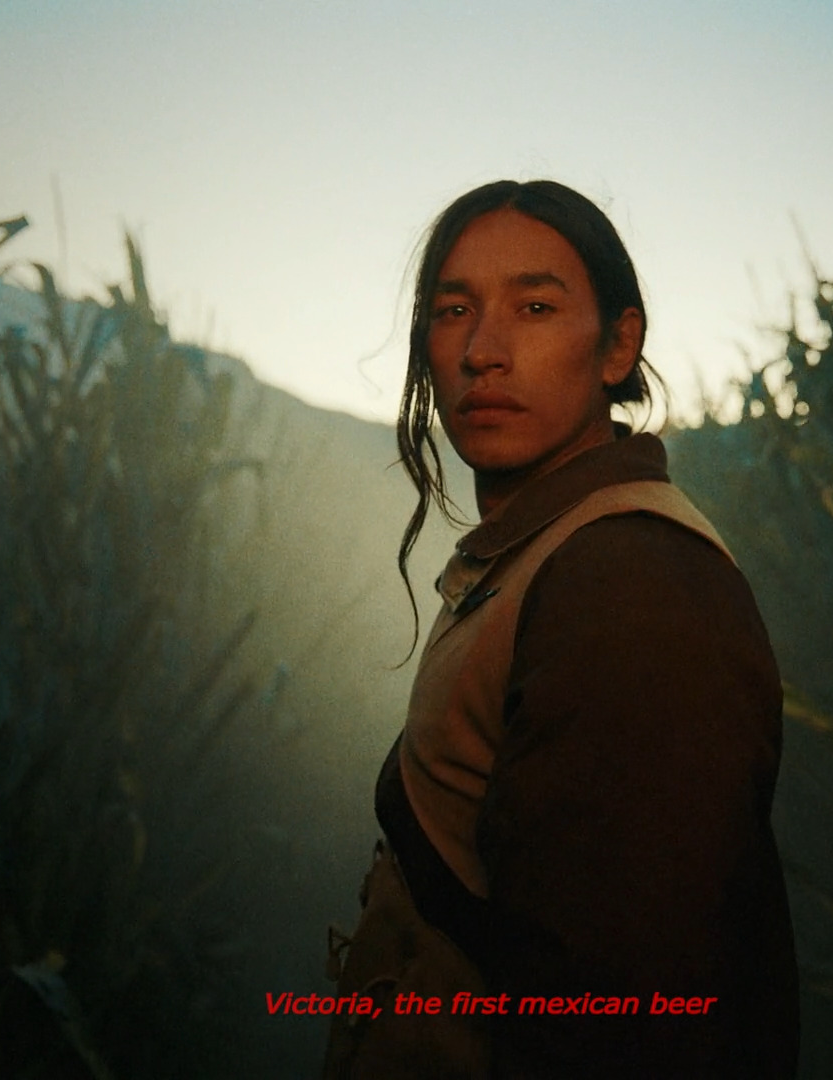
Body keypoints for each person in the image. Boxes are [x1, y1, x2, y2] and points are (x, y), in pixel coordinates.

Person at [326, 179, 798, 1079]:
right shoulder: (546, 555)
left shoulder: (630, 583)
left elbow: (617, 1022)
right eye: (452, 310)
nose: (482, 351)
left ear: (619, 345)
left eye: (535, 307)